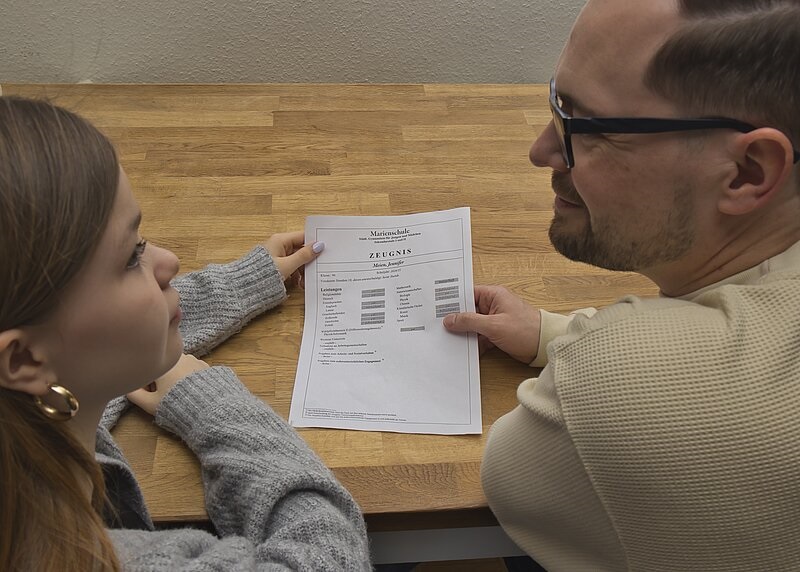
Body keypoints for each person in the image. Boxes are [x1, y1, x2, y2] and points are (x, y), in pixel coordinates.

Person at [443, 1, 800, 570]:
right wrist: (552, 334)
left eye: (588, 128)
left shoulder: (618, 381)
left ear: (747, 171)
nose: (541, 150)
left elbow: (509, 475)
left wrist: (588, 356)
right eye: (557, 105)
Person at [0, 96, 371, 570]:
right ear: (23, 360)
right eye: (131, 257)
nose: (169, 261)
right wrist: (210, 404)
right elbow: (328, 551)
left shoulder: (34, 403)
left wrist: (247, 282)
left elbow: (94, 339)